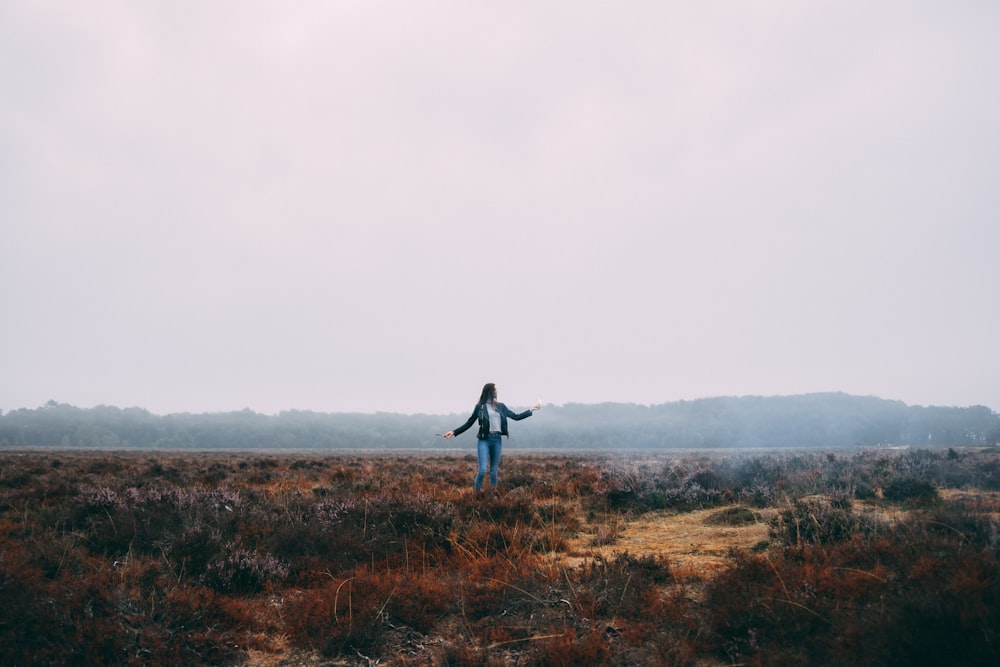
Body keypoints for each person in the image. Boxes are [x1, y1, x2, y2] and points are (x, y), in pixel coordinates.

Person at [443, 383, 540, 492]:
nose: (497, 391)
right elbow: (469, 423)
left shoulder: (501, 406)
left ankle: (492, 496)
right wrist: (453, 432)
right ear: (490, 391)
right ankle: (476, 496)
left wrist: (531, 409)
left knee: (494, 471)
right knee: (483, 470)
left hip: (497, 440)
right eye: (496, 389)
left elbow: (516, 417)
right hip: (484, 440)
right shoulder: (480, 407)